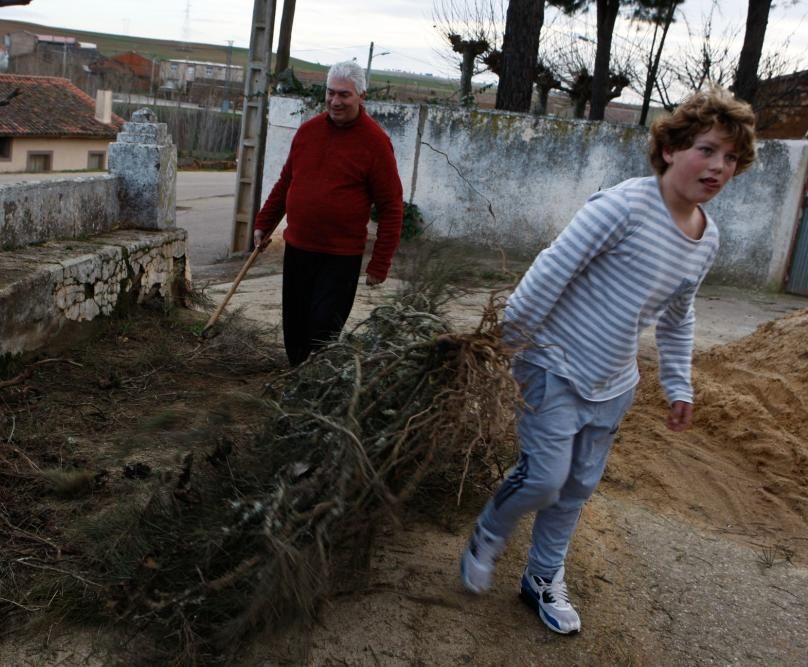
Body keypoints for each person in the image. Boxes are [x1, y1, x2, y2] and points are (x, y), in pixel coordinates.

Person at [460, 88, 757, 634]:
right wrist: (508, 345)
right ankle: (489, 530)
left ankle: (542, 579)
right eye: (709, 150)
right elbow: (550, 272)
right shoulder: (622, 206)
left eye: (732, 158)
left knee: (576, 488)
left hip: (613, 381)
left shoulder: (706, 238)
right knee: (545, 479)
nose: (719, 167)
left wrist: (678, 384)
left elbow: (677, 315)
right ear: (671, 149)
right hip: (552, 364)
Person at [253, 60, 404, 366]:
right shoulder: (308, 132)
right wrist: (263, 224)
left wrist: (380, 262)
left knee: (323, 330)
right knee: (294, 325)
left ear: (361, 95)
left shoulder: (375, 143)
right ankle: (297, 378)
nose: (335, 101)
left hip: (340, 257)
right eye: (330, 93)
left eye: (344, 95)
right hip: (298, 249)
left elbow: (391, 206)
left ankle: (316, 383)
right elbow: (285, 183)